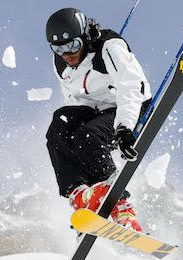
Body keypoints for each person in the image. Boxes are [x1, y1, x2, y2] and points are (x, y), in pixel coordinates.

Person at [45, 8, 152, 232]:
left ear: (84, 35)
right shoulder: (60, 63)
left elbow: (131, 86)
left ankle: (121, 207)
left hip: (128, 105)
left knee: (87, 136)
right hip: (95, 109)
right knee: (59, 124)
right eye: (58, 48)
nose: (67, 54)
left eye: (72, 45)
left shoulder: (109, 48)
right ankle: (81, 195)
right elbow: (73, 98)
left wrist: (124, 128)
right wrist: (72, 144)